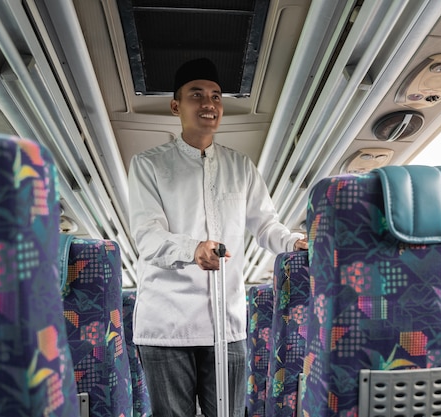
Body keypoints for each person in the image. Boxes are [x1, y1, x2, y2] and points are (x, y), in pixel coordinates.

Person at [128, 57, 308, 417]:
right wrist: (192, 248)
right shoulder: (149, 164)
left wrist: (294, 242)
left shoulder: (240, 167)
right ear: (176, 105)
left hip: (227, 324)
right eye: (197, 95)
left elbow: (266, 225)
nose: (208, 104)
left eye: (215, 96)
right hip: (166, 325)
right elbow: (147, 236)